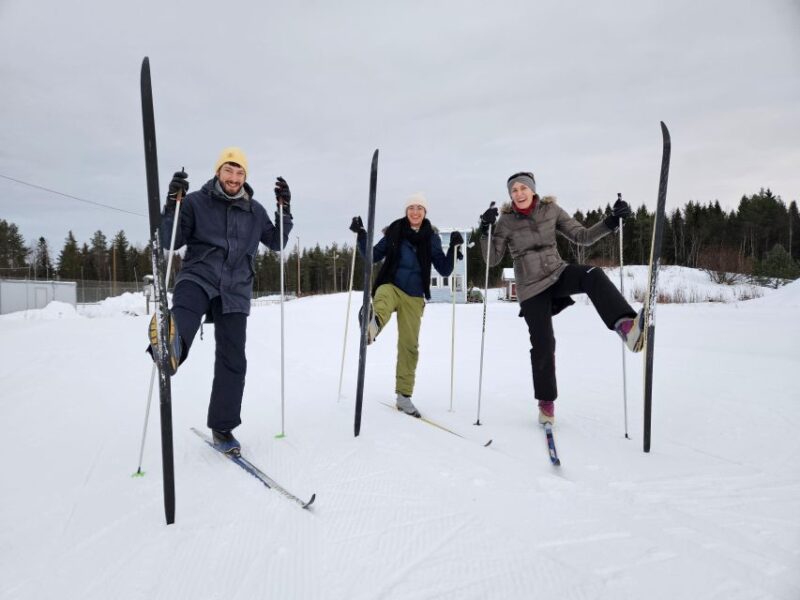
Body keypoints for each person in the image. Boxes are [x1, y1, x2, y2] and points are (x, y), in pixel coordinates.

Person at [148, 147, 293, 454]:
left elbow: (277, 241)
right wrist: (172, 204)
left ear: (245, 177)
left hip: (236, 287)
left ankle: (223, 427)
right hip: (199, 274)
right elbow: (171, 239)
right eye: (229, 170)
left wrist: (285, 210)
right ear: (218, 171)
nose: (234, 178)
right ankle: (170, 347)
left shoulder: (255, 211)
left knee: (233, 359)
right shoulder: (195, 202)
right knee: (185, 312)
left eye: (240, 172)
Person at [478, 171, 643, 426]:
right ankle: (546, 403)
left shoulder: (551, 210)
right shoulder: (506, 221)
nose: (519, 194)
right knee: (544, 343)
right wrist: (485, 230)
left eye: (523, 188)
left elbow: (582, 236)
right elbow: (492, 259)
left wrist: (611, 221)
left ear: (533, 190)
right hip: (530, 288)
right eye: (514, 190)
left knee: (592, 274)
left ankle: (626, 326)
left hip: (557, 273)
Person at [350, 193, 464, 417]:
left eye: (419, 208)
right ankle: (371, 327)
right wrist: (361, 234)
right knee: (382, 301)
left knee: (409, 347)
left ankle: (403, 396)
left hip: (414, 296)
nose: (415, 211)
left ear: (425, 212)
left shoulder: (431, 238)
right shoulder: (395, 231)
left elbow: (444, 269)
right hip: (391, 285)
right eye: (411, 207)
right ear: (406, 211)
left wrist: (454, 248)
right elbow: (372, 256)